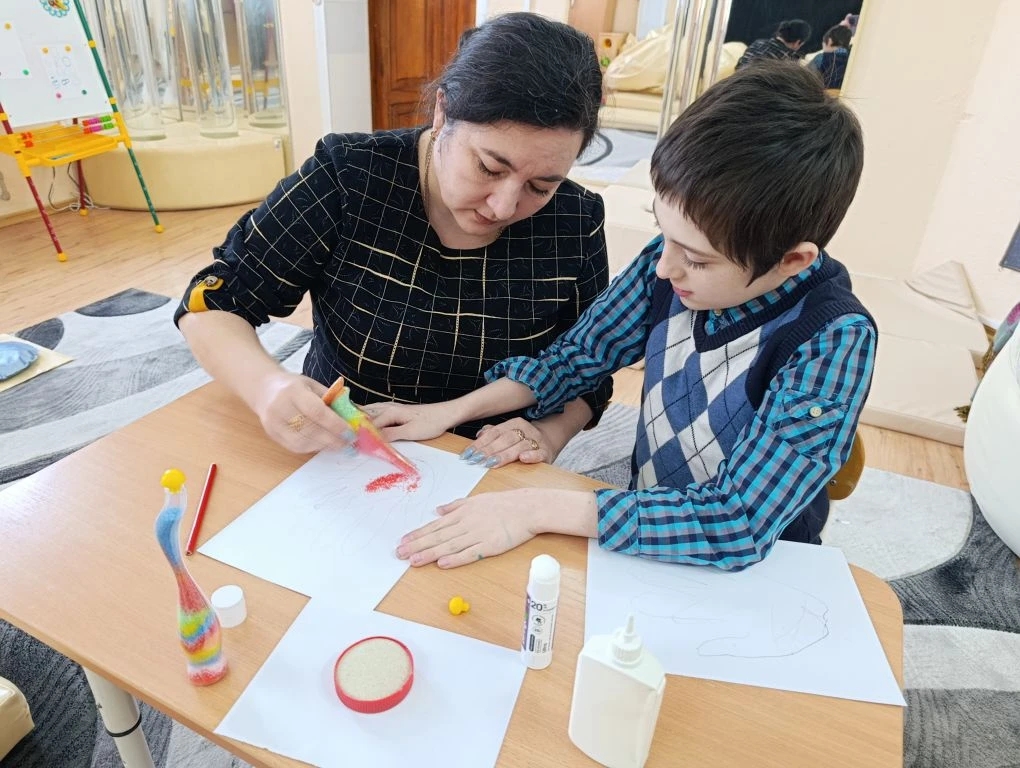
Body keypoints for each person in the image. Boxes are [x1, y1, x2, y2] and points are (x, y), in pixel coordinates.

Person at [374, 61, 877, 573]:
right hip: (646, 518)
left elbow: (738, 521)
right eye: (663, 232)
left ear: (793, 260)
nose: (664, 267)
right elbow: (576, 358)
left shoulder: (832, 340)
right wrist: (448, 412)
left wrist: (537, 508)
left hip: (763, 565)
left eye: (698, 259)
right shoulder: (670, 262)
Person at [174, 13, 613, 459]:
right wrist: (268, 387)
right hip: (342, 449)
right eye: (489, 167)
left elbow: (593, 366)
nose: (503, 206)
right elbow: (214, 302)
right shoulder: (349, 177)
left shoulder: (575, 219)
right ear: (442, 112)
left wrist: (549, 435)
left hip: (490, 462)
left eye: (540, 186)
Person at [735, 19, 812, 69]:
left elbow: (739, 66)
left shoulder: (758, 42)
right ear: (798, 42)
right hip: (755, 89)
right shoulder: (791, 59)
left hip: (734, 84)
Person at [808, 24, 853, 90]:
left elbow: (804, 78)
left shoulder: (820, 58)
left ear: (829, 41)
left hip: (823, 94)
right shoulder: (852, 58)